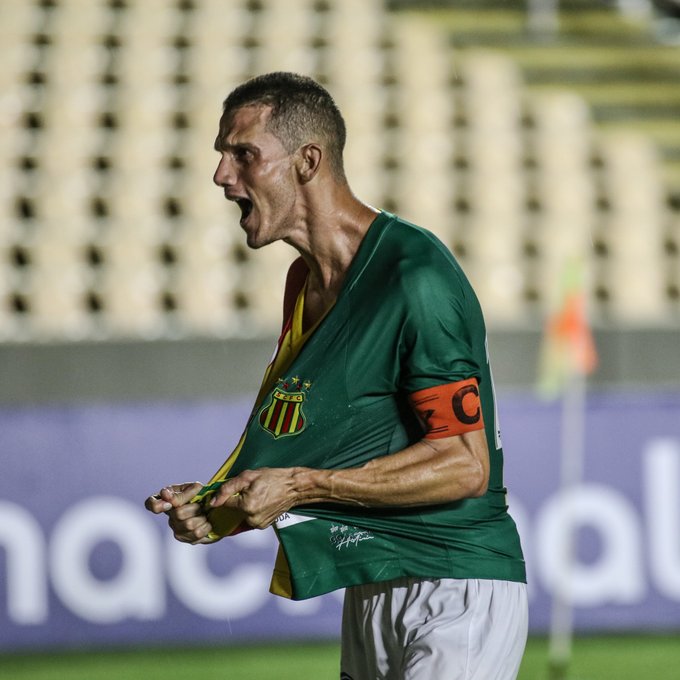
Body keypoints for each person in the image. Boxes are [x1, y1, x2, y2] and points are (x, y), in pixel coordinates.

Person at [145, 71, 527, 680]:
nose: (221, 176)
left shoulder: (414, 277)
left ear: (307, 161)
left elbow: (464, 463)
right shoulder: (304, 283)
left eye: (243, 155)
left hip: (456, 583)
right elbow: (318, 441)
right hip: (372, 584)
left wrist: (296, 487)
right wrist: (222, 502)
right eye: (221, 156)